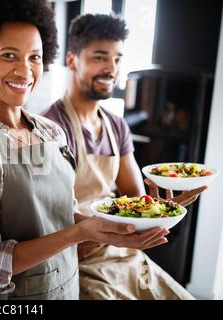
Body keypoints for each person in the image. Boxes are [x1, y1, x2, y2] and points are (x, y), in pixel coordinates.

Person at [0, 1, 170, 300]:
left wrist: (116, 228)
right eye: (9, 55)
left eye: (34, 57)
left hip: (67, 290)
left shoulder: (51, 132)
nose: (25, 70)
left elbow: (61, 213)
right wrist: (80, 234)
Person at [42, 13, 206, 300]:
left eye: (117, 59)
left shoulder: (117, 126)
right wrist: (114, 229)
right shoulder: (51, 128)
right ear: (71, 60)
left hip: (127, 257)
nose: (111, 68)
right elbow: (51, 221)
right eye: (100, 57)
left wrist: (159, 210)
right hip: (78, 263)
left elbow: (135, 199)